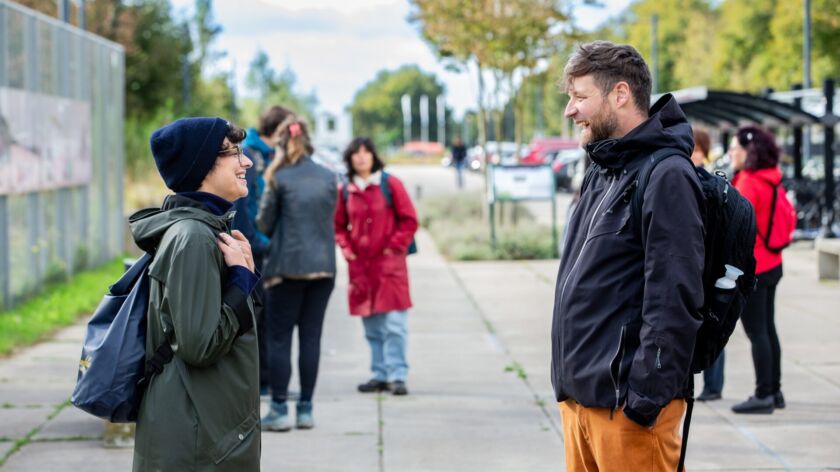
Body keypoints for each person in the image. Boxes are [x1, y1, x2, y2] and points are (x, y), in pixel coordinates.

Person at [551, 41, 705, 471]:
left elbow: (674, 299)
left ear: (620, 94)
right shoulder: (603, 167)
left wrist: (645, 399)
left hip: (627, 412)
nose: (570, 110)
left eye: (580, 97)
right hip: (582, 402)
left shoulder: (667, 175)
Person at [130, 117, 260, 470]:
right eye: (234, 153)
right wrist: (240, 282)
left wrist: (244, 278)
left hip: (206, 427)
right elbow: (200, 345)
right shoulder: (193, 237)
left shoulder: (204, 230)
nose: (246, 162)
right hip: (198, 439)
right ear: (202, 165)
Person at [257, 115, 337, 431]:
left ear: (280, 143)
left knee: (278, 339)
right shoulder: (329, 177)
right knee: (311, 337)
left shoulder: (279, 177)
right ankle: (305, 410)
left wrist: (272, 174)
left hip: (285, 268)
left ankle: (278, 409)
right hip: (323, 267)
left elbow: (264, 222)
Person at [334, 137, 418, 396]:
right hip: (362, 268)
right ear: (349, 159)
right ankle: (380, 373)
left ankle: (397, 375)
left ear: (373, 156)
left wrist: (393, 247)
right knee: (372, 326)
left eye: (366, 152)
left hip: (389, 266)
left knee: (395, 325)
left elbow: (409, 220)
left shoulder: (390, 184)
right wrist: (349, 252)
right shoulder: (346, 189)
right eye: (356, 154)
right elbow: (339, 226)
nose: (361, 157)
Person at [233, 105, 291, 396]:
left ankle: (265, 381)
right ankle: (256, 384)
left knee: (267, 317)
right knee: (255, 317)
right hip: (254, 248)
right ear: (280, 131)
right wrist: (264, 244)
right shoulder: (251, 157)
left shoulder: (265, 155)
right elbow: (245, 207)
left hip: (262, 246)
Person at [729, 126, 787, 414]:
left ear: (748, 151)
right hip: (773, 262)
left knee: (756, 332)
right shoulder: (771, 177)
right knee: (768, 328)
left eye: (734, 148)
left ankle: (763, 393)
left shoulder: (750, 182)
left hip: (756, 266)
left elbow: (737, 227)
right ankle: (775, 391)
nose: (730, 153)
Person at [693, 127, 726, 402]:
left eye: (694, 149)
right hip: (703, 264)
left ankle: (713, 386)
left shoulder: (708, 181)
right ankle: (710, 385)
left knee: (710, 327)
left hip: (707, 265)